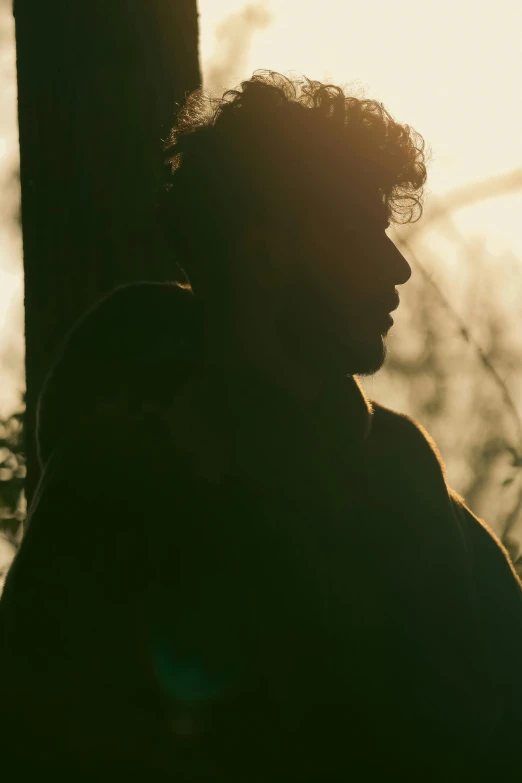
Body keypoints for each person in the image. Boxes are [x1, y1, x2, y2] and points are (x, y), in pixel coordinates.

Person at [1, 71, 522, 780]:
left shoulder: (402, 477)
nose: (397, 267)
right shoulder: (115, 484)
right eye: (360, 232)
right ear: (269, 250)